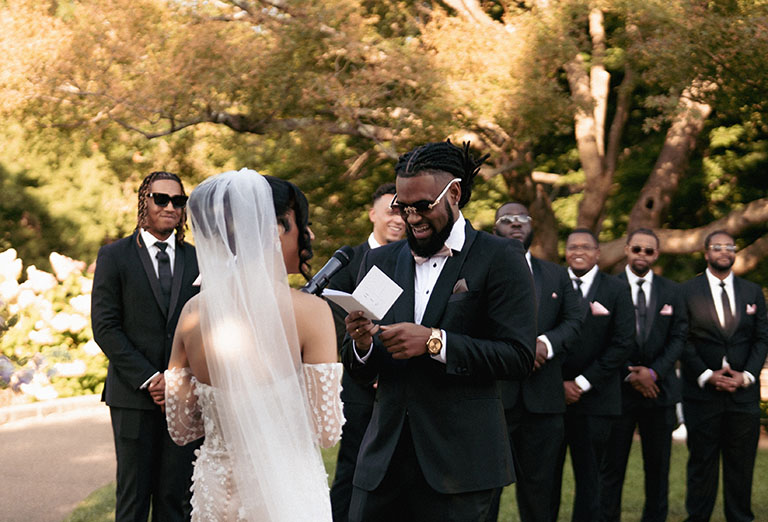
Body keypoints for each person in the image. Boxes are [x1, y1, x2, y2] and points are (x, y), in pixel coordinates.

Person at [341, 140, 536, 522]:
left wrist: (434, 342)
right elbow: (361, 369)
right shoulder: (379, 260)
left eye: (423, 206)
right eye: (403, 206)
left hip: (461, 468)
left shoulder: (500, 258)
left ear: (455, 193)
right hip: (383, 466)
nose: (412, 217)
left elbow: (518, 356)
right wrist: (361, 344)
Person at [163, 169, 345, 521]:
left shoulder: (193, 312)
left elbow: (181, 428)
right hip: (285, 491)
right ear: (275, 229)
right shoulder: (311, 312)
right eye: (300, 223)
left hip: (217, 492)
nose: (308, 234)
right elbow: (327, 431)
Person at [91, 171, 200, 522]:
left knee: (177, 500)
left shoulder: (198, 259)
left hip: (185, 398)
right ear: (144, 202)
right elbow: (105, 327)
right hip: (133, 397)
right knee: (133, 500)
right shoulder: (114, 256)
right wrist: (152, 378)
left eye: (178, 201)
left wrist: (180, 378)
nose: (170, 206)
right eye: (161, 199)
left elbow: (208, 327)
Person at [486, 202, 584, 522]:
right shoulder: (482, 271)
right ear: (494, 230)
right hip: (495, 399)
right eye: (507, 220)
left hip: (544, 404)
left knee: (542, 492)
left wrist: (544, 344)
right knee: (486, 491)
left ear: (532, 227)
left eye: (522, 219)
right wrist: (515, 350)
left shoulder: (556, 275)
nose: (516, 225)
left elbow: (574, 320)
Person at [599, 228, 687, 522]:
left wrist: (653, 373)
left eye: (649, 251)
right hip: (618, 394)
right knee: (611, 471)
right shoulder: (608, 287)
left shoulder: (673, 291)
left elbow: (679, 337)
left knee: (658, 472)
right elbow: (601, 338)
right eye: (637, 249)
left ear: (656, 255)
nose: (642, 255)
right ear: (626, 250)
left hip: (659, 394)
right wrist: (631, 374)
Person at [328, 182, 404, 522]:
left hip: (404, 383)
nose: (398, 219)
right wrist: (366, 363)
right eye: (390, 210)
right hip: (360, 387)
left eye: (403, 212)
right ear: (373, 213)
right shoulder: (348, 261)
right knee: (353, 470)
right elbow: (333, 321)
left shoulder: (413, 262)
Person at [680, 230, 768, 522]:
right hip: (702, 394)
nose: (724, 251)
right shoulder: (686, 291)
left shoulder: (752, 292)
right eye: (717, 246)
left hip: (743, 396)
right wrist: (707, 374)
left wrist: (746, 377)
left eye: (729, 246)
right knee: (701, 466)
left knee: (741, 468)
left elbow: (761, 339)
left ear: (734, 252)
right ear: (706, 253)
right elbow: (682, 339)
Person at [552, 228, 634, 522]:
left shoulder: (616, 289)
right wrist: (558, 384)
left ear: (598, 253)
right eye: (573, 246)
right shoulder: (552, 283)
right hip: (552, 399)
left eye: (586, 247)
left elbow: (623, 342)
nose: (578, 251)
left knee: (592, 479)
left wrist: (582, 383)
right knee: (547, 478)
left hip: (597, 400)